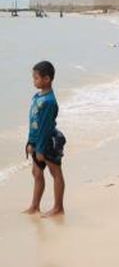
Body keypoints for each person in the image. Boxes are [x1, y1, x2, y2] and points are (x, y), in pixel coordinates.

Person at [23, 61, 66, 217]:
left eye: (36, 78)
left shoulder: (49, 102)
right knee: (36, 173)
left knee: (55, 172)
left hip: (47, 142)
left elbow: (45, 128)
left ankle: (58, 207)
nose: (34, 81)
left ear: (47, 79)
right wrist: (30, 142)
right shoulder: (37, 96)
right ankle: (35, 205)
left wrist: (40, 148)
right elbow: (33, 121)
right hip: (36, 142)